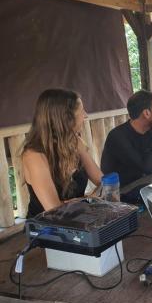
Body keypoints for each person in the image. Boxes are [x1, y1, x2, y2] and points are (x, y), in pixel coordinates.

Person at [22, 89, 103, 218]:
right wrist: (88, 199)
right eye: (81, 111)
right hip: (46, 228)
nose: (85, 115)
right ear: (65, 119)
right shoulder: (34, 155)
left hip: (77, 219)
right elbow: (54, 210)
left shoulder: (75, 143)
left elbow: (103, 181)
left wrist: (83, 201)